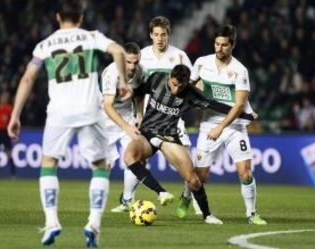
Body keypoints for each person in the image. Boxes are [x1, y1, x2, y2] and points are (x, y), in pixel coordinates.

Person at [7, 0, 129, 247]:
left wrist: (15, 115)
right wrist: (123, 82)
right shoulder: (92, 36)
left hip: (59, 111)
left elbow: (29, 77)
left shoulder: (45, 44)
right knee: (100, 165)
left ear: (57, 17)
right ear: (81, 18)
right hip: (89, 109)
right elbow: (119, 51)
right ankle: (93, 223)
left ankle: (52, 221)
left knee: (49, 163)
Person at [123, 64, 254, 224]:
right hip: (147, 132)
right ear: (170, 77)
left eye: (181, 86)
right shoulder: (156, 78)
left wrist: (246, 114)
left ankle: (207, 215)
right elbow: (139, 92)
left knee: (193, 179)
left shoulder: (192, 93)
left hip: (168, 137)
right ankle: (161, 193)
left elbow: (215, 105)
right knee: (129, 156)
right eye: (174, 84)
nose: (176, 90)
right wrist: (138, 114)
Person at [111, 16, 202, 215]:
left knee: (186, 158)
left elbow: (194, 84)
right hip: (148, 118)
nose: (160, 38)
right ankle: (127, 199)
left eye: (164, 34)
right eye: (156, 34)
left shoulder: (179, 56)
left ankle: (191, 197)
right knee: (137, 159)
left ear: (168, 35)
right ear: (151, 35)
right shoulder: (142, 56)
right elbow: (139, 88)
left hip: (173, 118)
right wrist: (140, 114)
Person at [178, 25, 267, 225]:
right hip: (209, 123)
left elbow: (238, 105)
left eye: (224, 45)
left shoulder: (239, 70)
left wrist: (221, 127)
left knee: (245, 171)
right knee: (200, 176)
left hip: (234, 127)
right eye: (217, 44)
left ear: (232, 46)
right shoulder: (202, 63)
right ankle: (185, 195)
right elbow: (188, 88)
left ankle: (252, 214)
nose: (219, 48)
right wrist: (195, 92)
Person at [100, 42, 143, 212]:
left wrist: (140, 115)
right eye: (129, 62)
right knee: (105, 165)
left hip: (127, 117)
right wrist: (126, 127)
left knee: (135, 157)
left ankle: (127, 199)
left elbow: (139, 94)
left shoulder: (140, 71)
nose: (132, 67)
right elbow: (108, 106)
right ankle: (98, 204)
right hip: (105, 118)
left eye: (135, 62)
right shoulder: (111, 73)